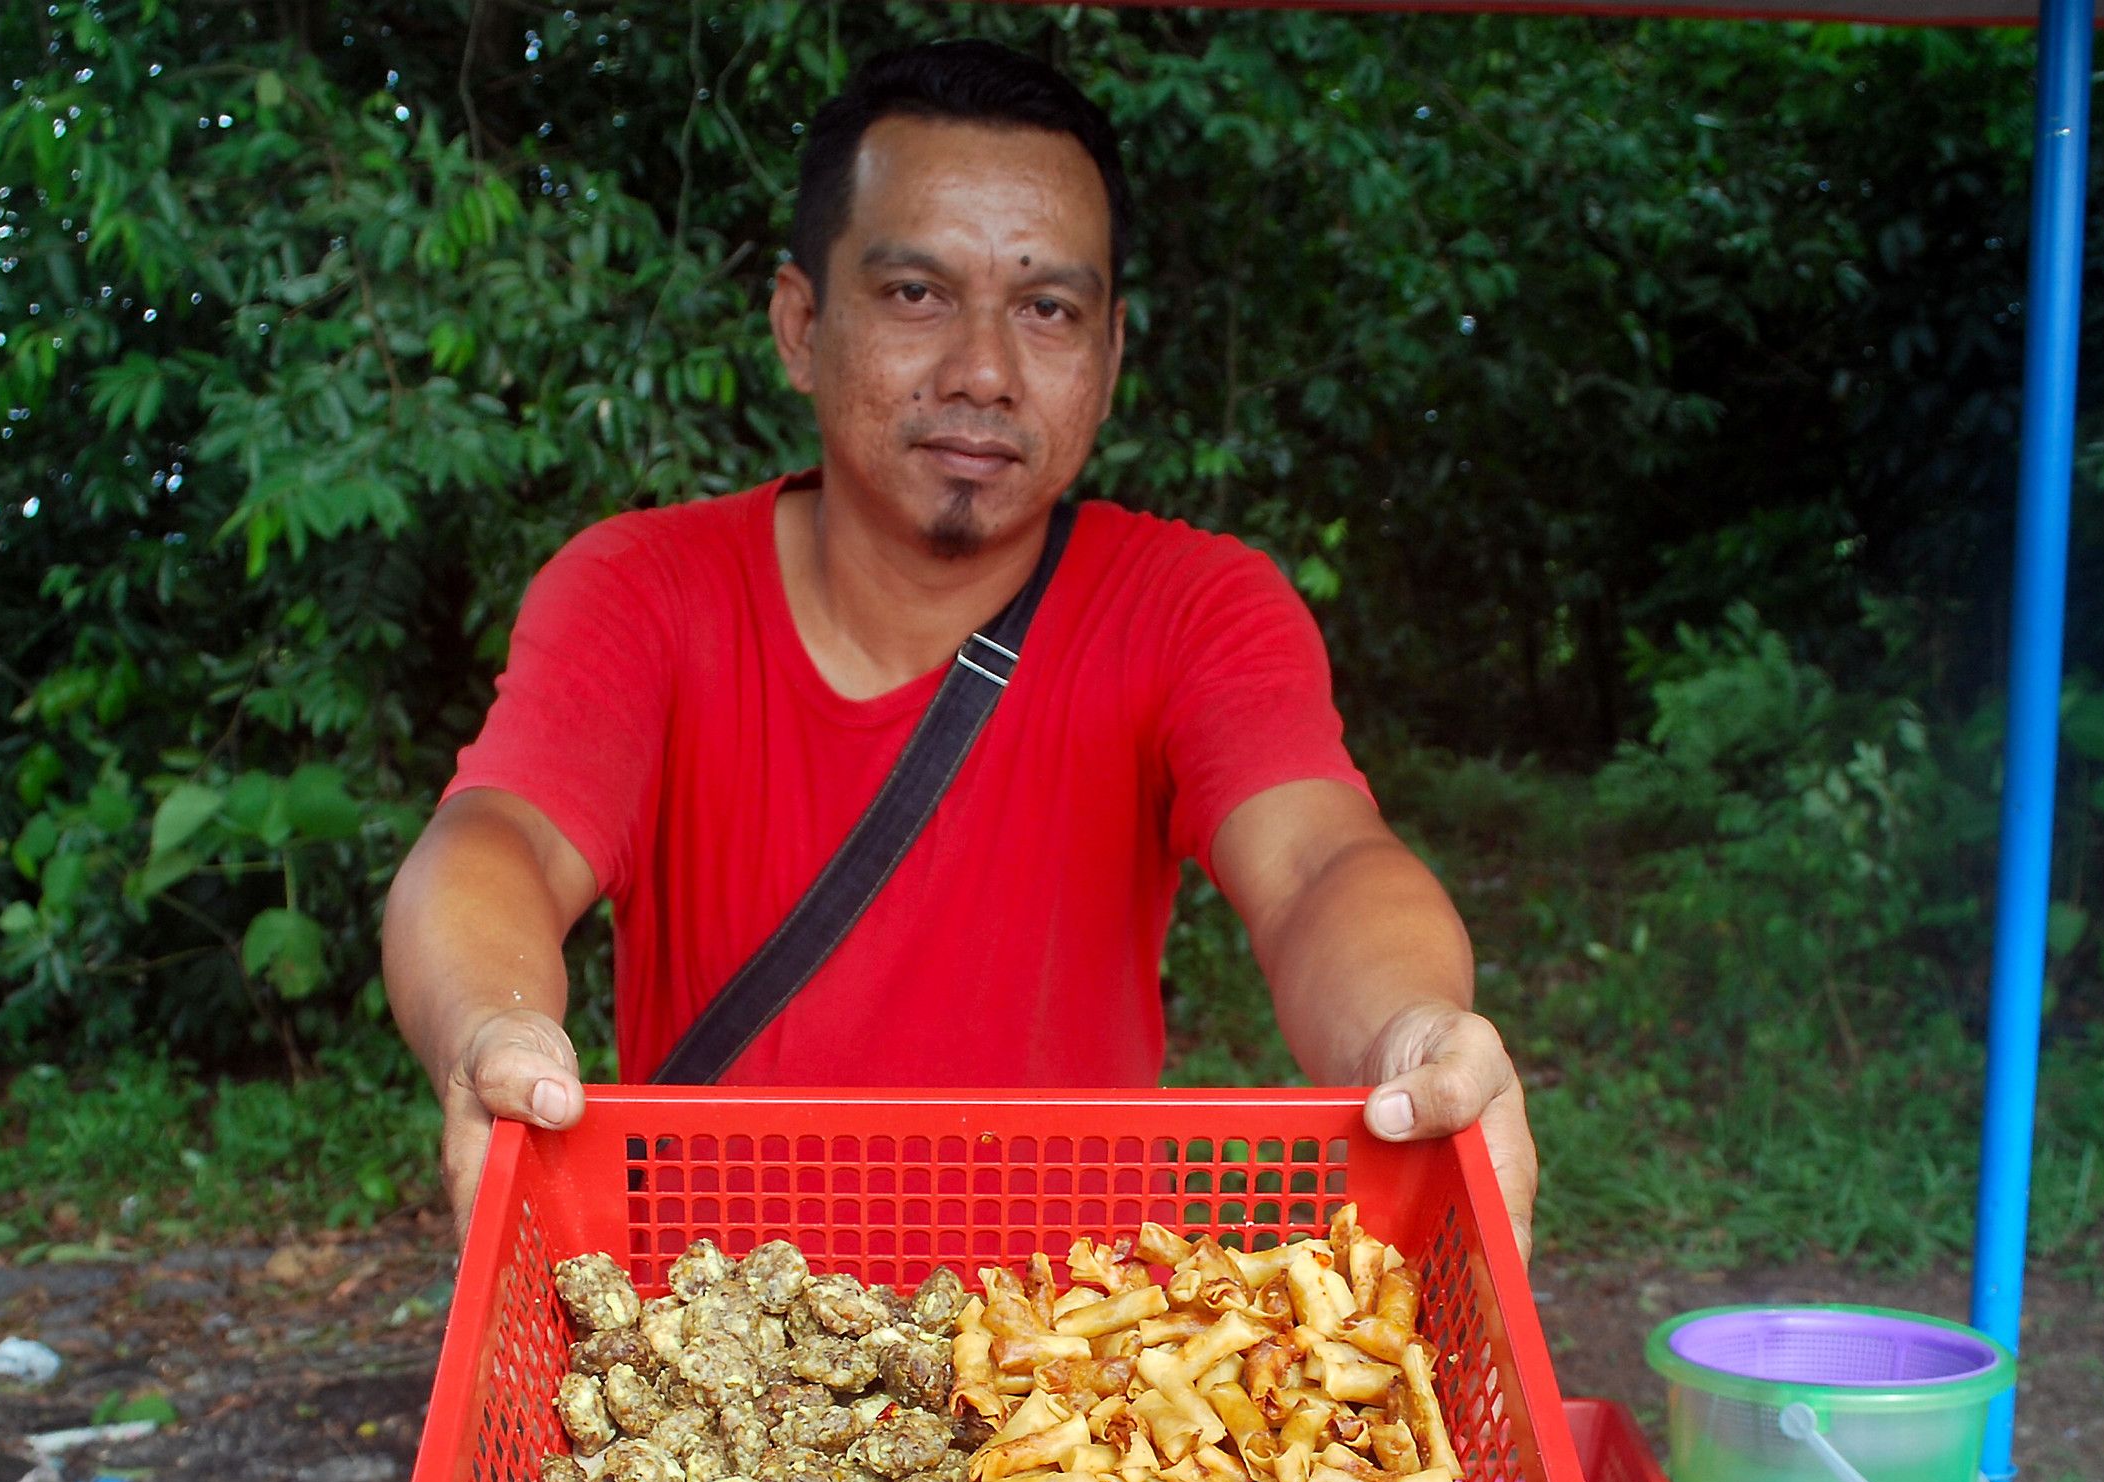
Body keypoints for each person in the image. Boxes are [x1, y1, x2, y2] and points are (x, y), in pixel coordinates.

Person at [384, 37, 1534, 1245]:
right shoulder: (642, 591)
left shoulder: (1192, 606)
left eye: (1046, 310)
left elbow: (1315, 870)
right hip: (712, 1374)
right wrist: (492, 1030)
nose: (983, 371)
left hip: (1068, 1386)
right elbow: (497, 839)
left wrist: (1416, 1031)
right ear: (798, 323)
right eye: (915, 294)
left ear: (1108, 356)